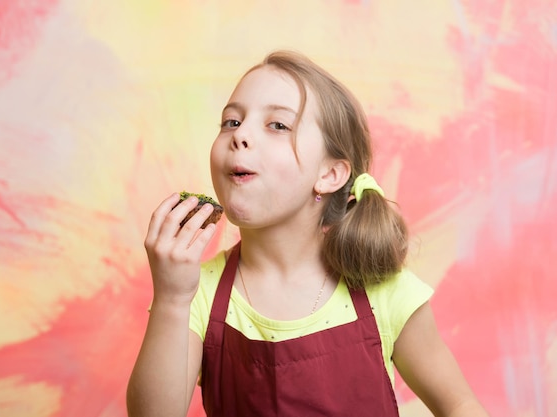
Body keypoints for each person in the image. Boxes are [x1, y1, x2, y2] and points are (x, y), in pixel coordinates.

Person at [127, 50, 489, 417]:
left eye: (278, 125)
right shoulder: (196, 294)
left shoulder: (383, 288)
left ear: (330, 174)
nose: (241, 136)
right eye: (231, 122)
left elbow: (459, 405)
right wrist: (172, 299)